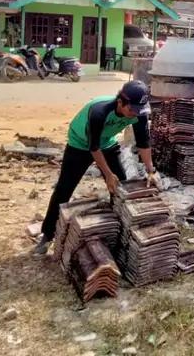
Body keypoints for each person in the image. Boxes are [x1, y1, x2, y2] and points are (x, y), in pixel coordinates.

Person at [33, 80, 162, 255]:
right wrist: (108, 174)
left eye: (138, 111)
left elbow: (143, 143)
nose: (134, 115)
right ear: (120, 102)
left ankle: (119, 233)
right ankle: (47, 235)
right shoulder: (99, 111)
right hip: (80, 143)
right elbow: (93, 147)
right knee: (64, 189)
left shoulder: (138, 113)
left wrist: (150, 171)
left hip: (107, 142)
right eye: (131, 110)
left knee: (120, 187)